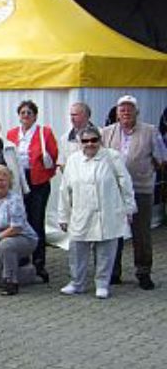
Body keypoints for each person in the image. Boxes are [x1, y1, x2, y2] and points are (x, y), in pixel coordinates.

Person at [59, 125, 136, 299]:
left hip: (108, 211)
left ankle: (102, 283)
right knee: (77, 249)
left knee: (106, 249)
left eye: (94, 140)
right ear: (80, 143)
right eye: (85, 141)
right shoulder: (73, 160)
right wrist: (63, 215)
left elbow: (125, 183)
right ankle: (77, 282)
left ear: (100, 140)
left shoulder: (112, 157)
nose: (90, 144)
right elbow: (65, 190)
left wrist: (129, 208)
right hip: (81, 212)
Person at [102, 95, 167, 290]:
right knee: (114, 232)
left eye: (130, 109)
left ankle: (143, 272)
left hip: (141, 189)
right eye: (122, 109)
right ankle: (114, 272)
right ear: (117, 113)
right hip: (114, 191)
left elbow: (161, 158)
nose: (126, 113)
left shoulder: (150, 131)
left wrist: (146, 172)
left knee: (141, 234)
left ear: (136, 112)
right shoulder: (106, 132)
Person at [7, 100, 58, 283]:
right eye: (23, 113)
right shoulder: (12, 134)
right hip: (18, 183)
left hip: (37, 183)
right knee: (19, 221)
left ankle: (39, 263)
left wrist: (43, 175)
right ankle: (22, 260)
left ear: (35, 116)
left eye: (29, 113)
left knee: (36, 223)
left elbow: (53, 156)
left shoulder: (45, 133)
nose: (26, 116)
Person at [0, 165, 38, 296]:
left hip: (23, 237)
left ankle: (11, 283)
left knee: (6, 245)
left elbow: (16, 228)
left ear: (9, 182)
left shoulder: (15, 199)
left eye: (3, 180)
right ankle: (28, 272)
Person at [58, 102, 93, 168]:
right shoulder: (65, 138)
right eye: (71, 115)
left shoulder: (101, 134)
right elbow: (62, 164)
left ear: (86, 116)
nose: (72, 118)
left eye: (75, 115)